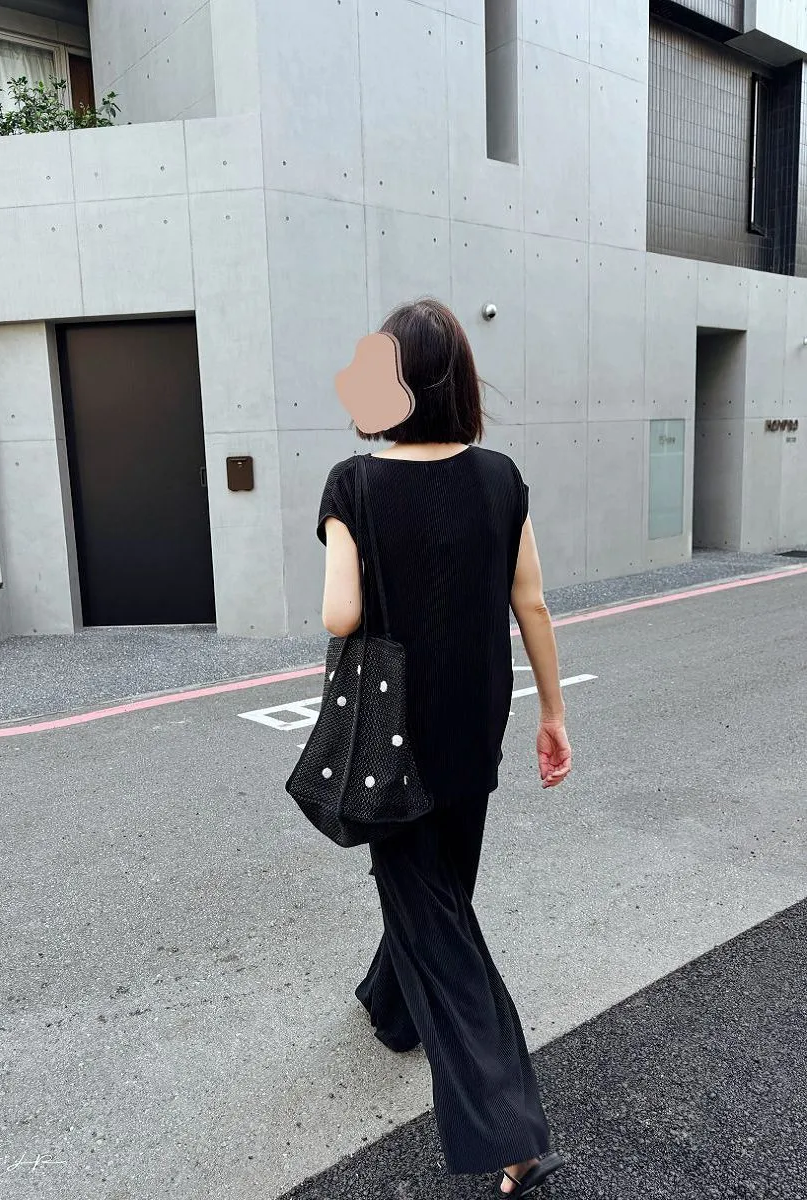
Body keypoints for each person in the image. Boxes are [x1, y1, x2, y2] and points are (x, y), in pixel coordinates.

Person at [315, 298, 572, 1195]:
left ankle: (513, 1131)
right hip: (476, 719)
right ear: (459, 382)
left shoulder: (352, 483)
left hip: (394, 735)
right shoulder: (501, 477)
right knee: (438, 885)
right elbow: (531, 603)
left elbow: (340, 614)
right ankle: (392, 1010)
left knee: (434, 911)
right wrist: (553, 713)